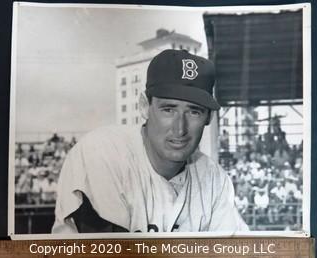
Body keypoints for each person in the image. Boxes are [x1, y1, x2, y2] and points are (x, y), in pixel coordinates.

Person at [52, 49, 248, 233]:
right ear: (145, 107)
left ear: (208, 118)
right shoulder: (102, 153)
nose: (180, 128)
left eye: (194, 112)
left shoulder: (213, 177)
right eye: (168, 109)